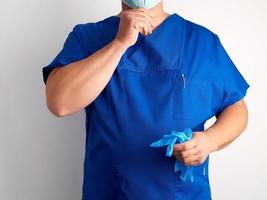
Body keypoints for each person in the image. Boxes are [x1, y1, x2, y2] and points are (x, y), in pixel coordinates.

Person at [42, 0, 250, 199]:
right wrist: (120, 43)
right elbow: (59, 103)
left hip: (183, 194)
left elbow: (236, 108)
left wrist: (210, 140)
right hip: (111, 192)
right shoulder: (88, 38)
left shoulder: (201, 42)